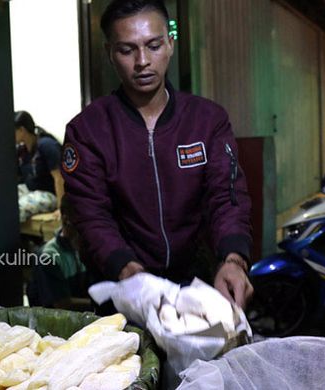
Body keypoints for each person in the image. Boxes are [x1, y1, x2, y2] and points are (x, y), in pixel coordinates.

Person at [61, 0, 253, 308]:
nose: (142, 61)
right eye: (127, 50)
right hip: (124, 285)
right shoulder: (88, 130)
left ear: (170, 44)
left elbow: (226, 196)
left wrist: (233, 258)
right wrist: (125, 267)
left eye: (153, 45)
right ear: (111, 53)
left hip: (196, 283)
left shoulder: (206, 121)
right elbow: (91, 213)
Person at [27, 195, 91, 311]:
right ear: (66, 220)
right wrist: (100, 304)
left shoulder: (86, 247)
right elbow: (62, 304)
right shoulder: (49, 256)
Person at [15, 111, 65, 222]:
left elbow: (59, 178)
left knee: (15, 210)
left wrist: (62, 208)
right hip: (29, 190)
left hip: (49, 194)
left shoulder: (46, 145)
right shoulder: (22, 151)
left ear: (22, 130)